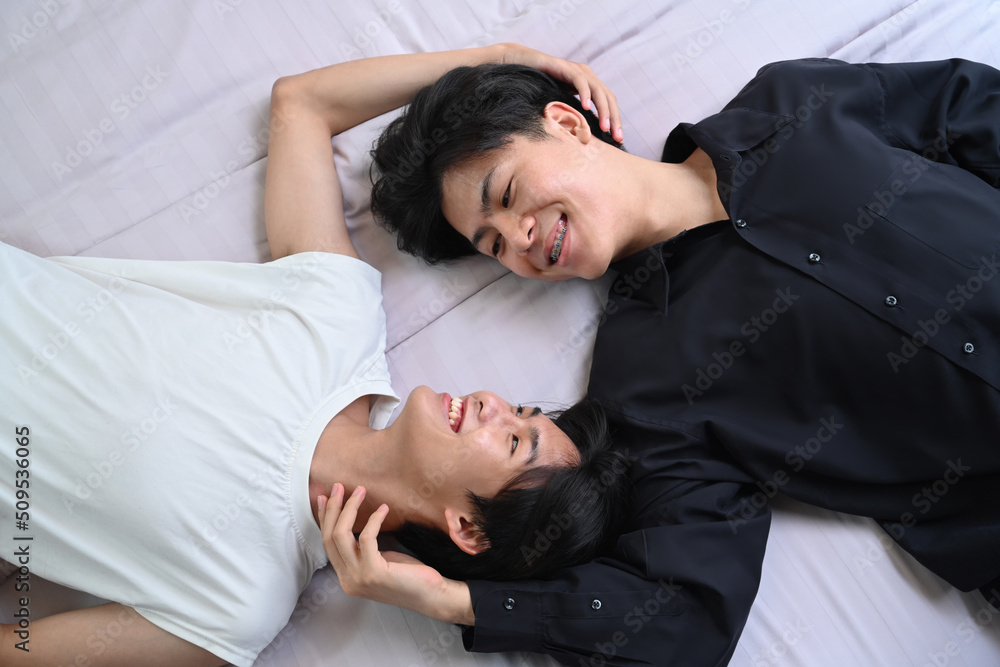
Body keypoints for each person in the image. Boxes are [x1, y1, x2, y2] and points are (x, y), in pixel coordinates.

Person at [0, 45, 632, 666]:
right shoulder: (337, 322)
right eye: (522, 408)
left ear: (468, 528)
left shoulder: (238, 607)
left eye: (514, 441)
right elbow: (301, 105)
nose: (493, 404)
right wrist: (502, 59)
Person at [363, 50, 1000, 665]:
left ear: (566, 124)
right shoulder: (645, 383)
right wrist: (460, 601)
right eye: (493, 245)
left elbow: (975, 109)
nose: (518, 242)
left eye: (506, 195)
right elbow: (684, 617)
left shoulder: (795, 101)